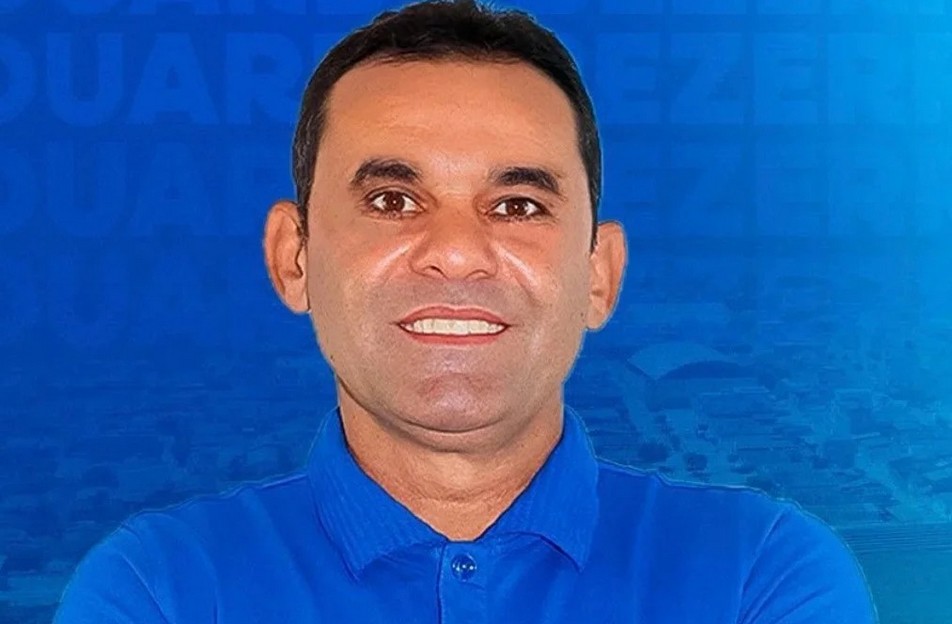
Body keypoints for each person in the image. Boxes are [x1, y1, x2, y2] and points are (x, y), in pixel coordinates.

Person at [54, 1, 879, 622]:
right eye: (392, 199)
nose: (456, 252)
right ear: (293, 257)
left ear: (599, 274)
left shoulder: (760, 574)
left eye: (517, 205)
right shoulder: (157, 589)